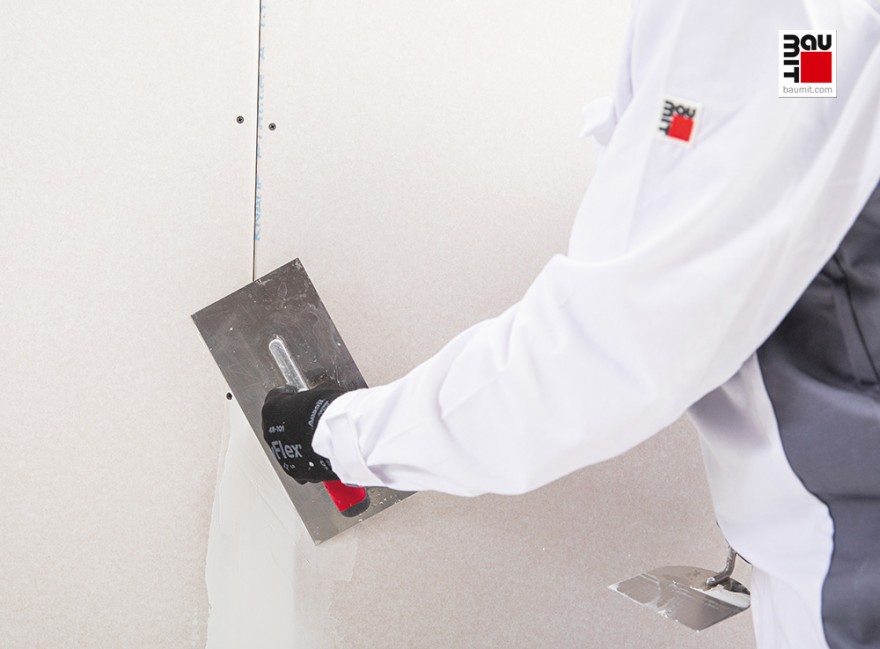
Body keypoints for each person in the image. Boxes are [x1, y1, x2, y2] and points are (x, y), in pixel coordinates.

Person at [261, 1, 880, 647]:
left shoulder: (754, 19)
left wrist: (337, 436)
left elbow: (599, 354)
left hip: (853, 570)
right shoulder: (807, 36)